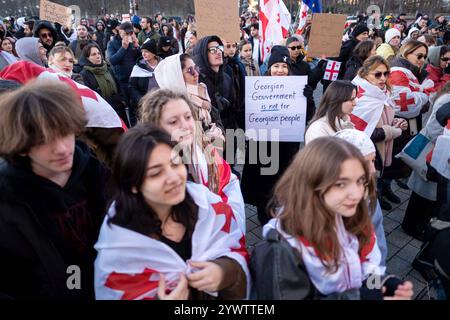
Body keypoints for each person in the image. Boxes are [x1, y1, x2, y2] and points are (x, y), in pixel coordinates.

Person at [94, 125, 249, 300]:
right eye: (156, 173)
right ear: (133, 185)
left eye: (176, 163)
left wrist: (224, 272)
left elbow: (238, 252)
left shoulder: (208, 207)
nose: (173, 178)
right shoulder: (119, 246)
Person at [253, 137, 413, 300]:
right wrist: (362, 297)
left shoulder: (353, 221)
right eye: (341, 184)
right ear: (312, 185)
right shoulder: (282, 250)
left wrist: (385, 284)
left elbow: (362, 275)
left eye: (360, 181)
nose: (356, 194)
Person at [0, 82, 109, 300]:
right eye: (43, 140)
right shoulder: (7, 198)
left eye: (64, 133)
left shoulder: (95, 172)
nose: (61, 148)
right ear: (21, 145)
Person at [138, 89, 245, 232]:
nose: (185, 126)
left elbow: (228, 181)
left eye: (188, 117)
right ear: (155, 126)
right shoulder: (150, 168)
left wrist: (225, 210)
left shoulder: (203, 149)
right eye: (173, 121)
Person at [240, 45, 315, 225]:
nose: (280, 70)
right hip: (263, 147)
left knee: (283, 184)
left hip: (287, 147)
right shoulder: (258, 87)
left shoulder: (297, 87)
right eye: (276, 66)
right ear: (269, 68)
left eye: (284, 67)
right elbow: (244, 117)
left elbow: (308, 116)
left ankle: (281, 216)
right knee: (262, 188)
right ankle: (265, 220)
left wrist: (309, 99)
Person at [350, 56, 408, 211]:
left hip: (382, 150)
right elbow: (362, 133)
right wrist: (393, 131)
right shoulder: (359, 97)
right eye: (377, 74)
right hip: (367, 155)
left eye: (386, 73)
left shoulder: (383, 93)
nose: (383, 78)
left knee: (378, 180)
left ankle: (382, 191)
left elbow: (382, 117)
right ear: (365, 74)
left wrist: (396, 122)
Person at [402, 83, 450, 240]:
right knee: (422, 195)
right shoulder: (446, 100)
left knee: (425, 194)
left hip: (436, 151)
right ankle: (411, 226)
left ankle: (415, 225)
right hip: (432, 150)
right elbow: (433, 128)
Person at [334, 129, 388, 267]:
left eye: (373, 161)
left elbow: (378, 243)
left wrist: (375, 280)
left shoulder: (367, 194)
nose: (373, 170)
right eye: (364, 163)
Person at [154, 53, 225, 148]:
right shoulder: (174, 106)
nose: (196, 73)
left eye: (196, 68)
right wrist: (210, 139)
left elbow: (216, 119)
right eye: (190, 70)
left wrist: (218, 133)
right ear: (177, 76)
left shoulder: (202, 91)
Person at [80, 43, 128, 127]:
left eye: (99, 53)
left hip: (118, 108)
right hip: (103, 111)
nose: (98, 56)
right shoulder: (84, 75)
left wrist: (123, 100)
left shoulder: (108, 68)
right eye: (93, 54)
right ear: (87, 58)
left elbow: (118, 85)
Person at [128, 39, 161, 126]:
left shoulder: (163, 65)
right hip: (146, 105)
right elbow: (132, 87)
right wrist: (141, 100)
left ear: (153, 52)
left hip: (162, 102)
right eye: (142, 51)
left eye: (146, 51)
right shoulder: (138, 68)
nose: (143, 54)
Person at [106, 21, 141, 103]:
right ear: (120, 32)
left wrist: (137, 46)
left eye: (131, 33)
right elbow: (112, 61)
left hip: (135, 78)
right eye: (126, 33)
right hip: (121, 80)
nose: (128, 35)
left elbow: (140, 58)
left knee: (137, 104)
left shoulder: (132, 42)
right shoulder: (112, 43)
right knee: (126, 104)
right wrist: (123, 48)